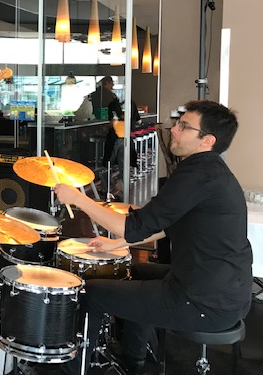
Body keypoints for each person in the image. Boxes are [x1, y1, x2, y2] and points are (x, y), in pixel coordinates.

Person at [55, 100, 252, 375]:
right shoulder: (210, 171)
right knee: (135, 271)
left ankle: (74, 370)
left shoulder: (197, 175)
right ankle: (133, 358)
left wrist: (78, 198)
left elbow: (132, 227)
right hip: (226, 293)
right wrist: (116, 243)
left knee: (91, 293)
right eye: (178, 124)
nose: (174, 130)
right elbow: (165, 222)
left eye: (184, 126)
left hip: (204, 302)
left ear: (207, 140)